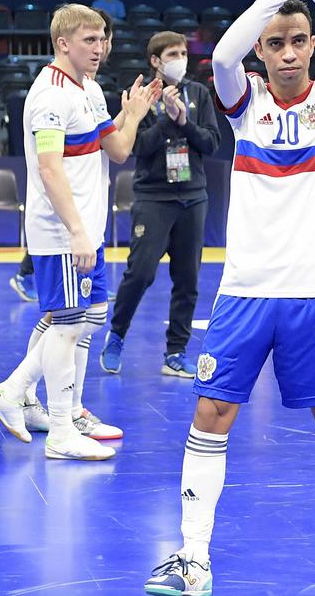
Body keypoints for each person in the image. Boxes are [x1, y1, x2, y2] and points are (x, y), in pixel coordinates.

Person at [142, 0, 315, 594]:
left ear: (312, 46)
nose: (285, 52)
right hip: (245, 290)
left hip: (314, 291)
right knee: (210, 415)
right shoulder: (243, 103)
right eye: (275, 43)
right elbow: (220, 56)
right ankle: (193, 555)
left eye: (297, 40)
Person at [0, 5, 156, 460]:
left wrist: (133, 114)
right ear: (63, 44)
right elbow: (49, 167)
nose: (100, 48)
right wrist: (76, 231)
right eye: (89, 40)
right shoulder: (48, 95)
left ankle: (31, 396)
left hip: (87, 230)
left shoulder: (92, 90)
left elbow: (116, 150)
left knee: (89, 315)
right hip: (61, 232)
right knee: (68, 323)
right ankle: (60, 431)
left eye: (103, 39)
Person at [101, 31, 219, 377]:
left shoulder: (198, 93)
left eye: (183, 52)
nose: (180, 58)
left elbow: (211, 142)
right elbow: (138, 148)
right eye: (172, 53)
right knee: (140, 273)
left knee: (188, 278)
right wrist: (168, 118)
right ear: (155, 60)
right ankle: (117, 336)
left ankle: (176, 351)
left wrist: (184, 120)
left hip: (193, 196)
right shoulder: (140, 99)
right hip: (154, 197)